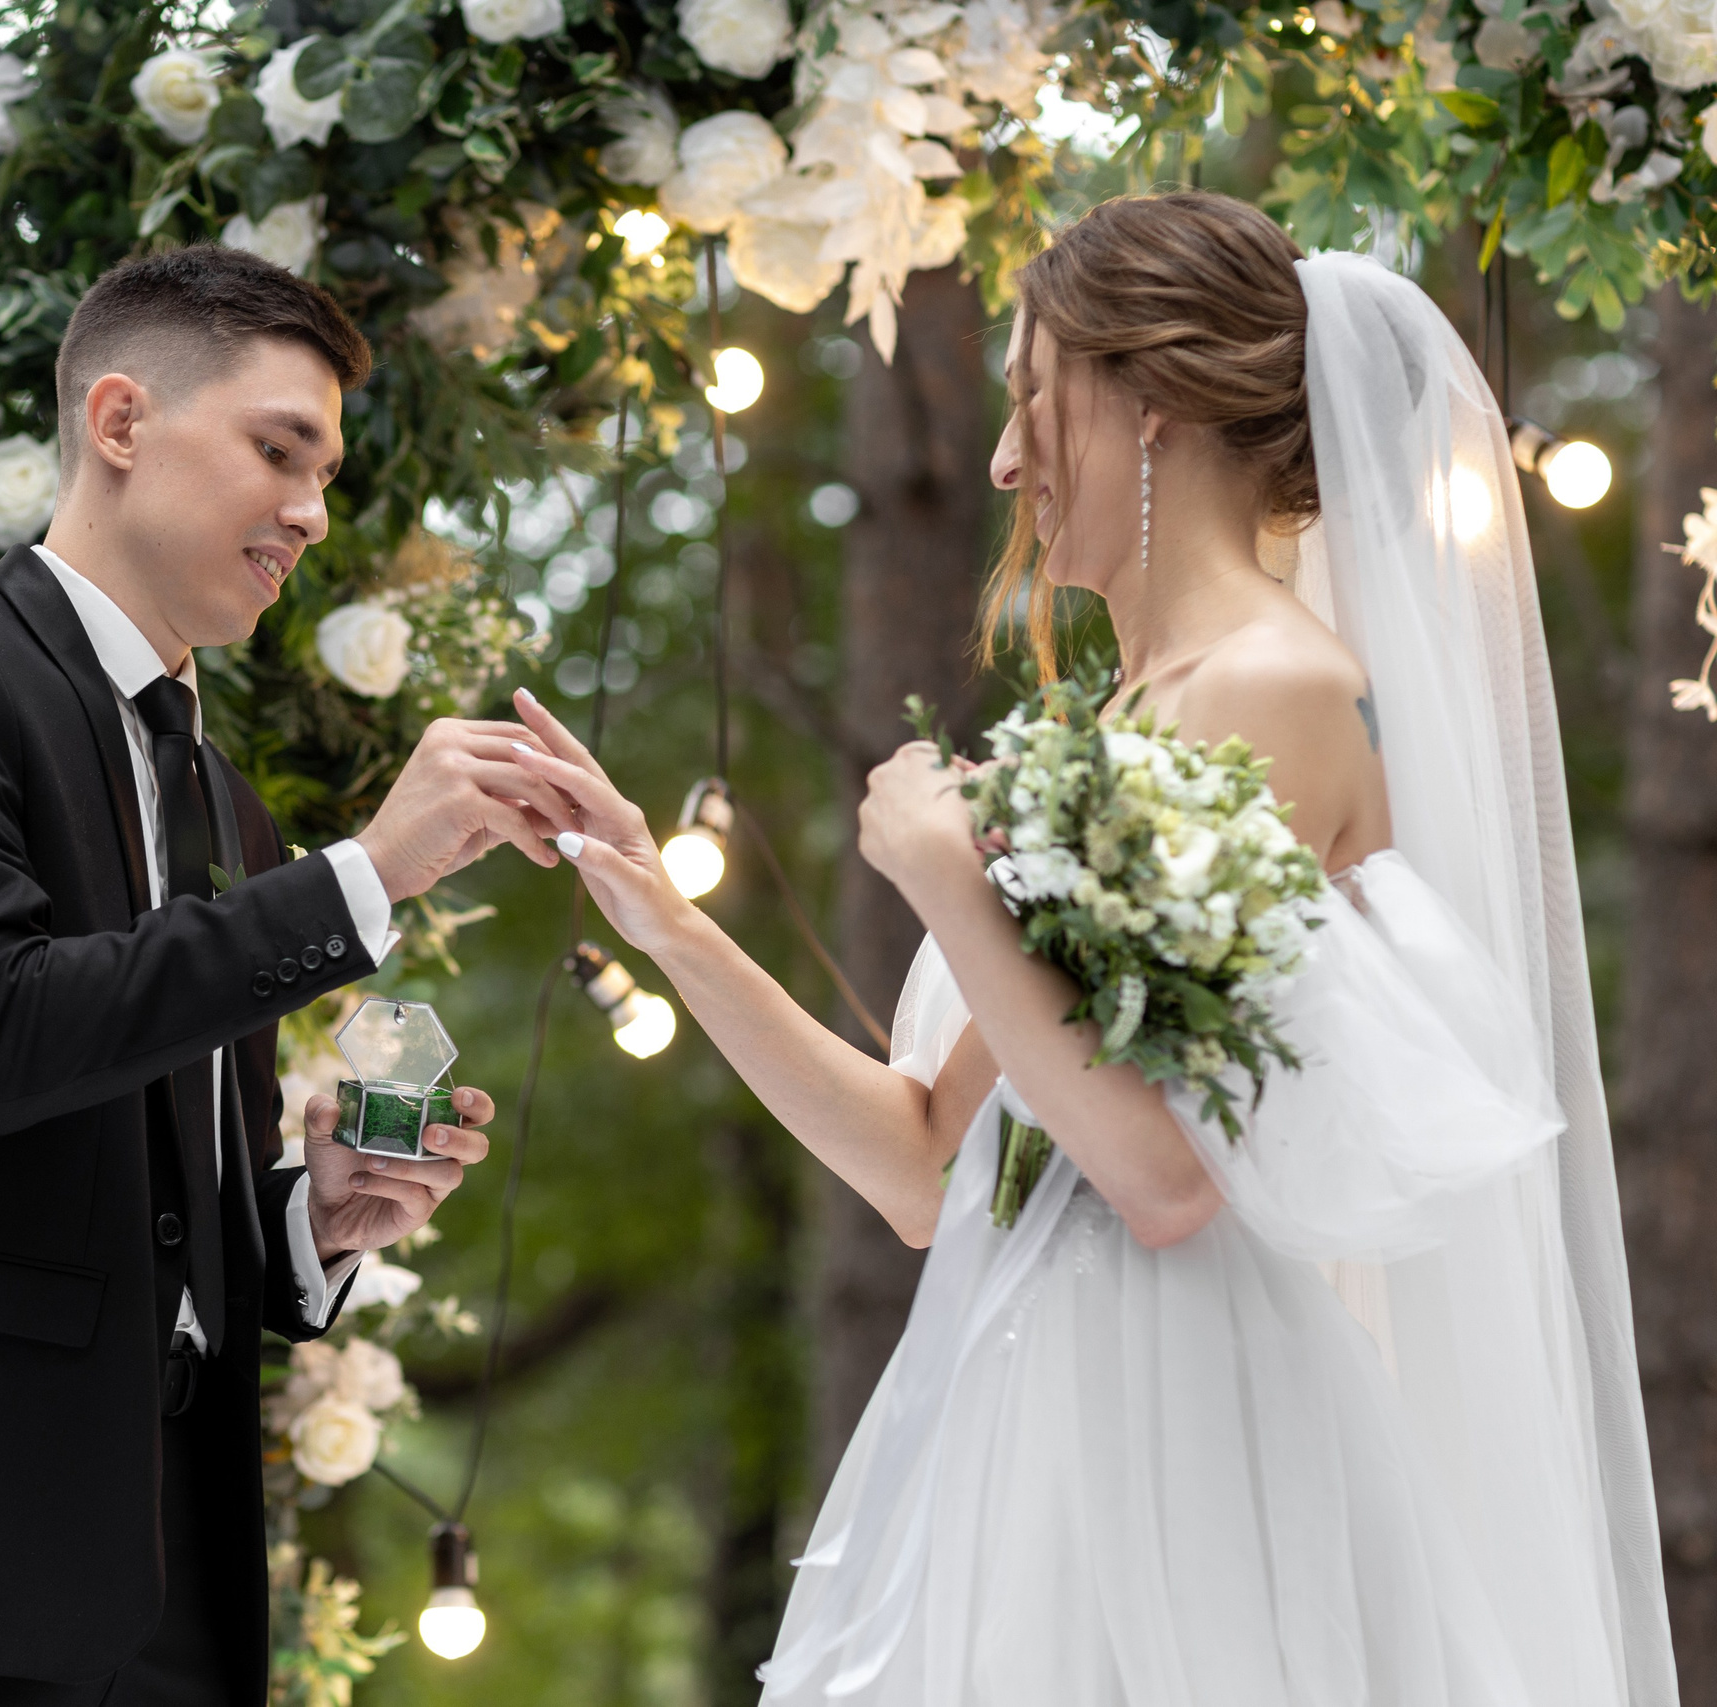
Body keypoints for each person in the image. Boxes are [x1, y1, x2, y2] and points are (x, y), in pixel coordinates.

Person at [504, 193, 1677, 1703]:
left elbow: (1169, 1177)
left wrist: (943, 875)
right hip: (1010, 1379)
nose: (1003, 460)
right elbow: (929, 1162)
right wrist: (663, 918)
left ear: (1157, 402)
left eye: (1030, 400)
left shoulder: (1275, 683)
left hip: (1170, 1418)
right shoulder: (1121, 721)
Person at [0, 245, 567, 1707]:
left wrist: (310, 1228)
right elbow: (1, 1034)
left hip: (169, 1580)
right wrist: (369, 873)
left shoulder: (223, 801)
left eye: (326, 470)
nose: (310, 510)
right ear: (120, 423)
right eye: (278, 449)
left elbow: (150, 1188)